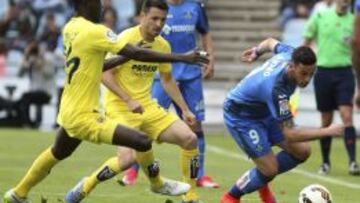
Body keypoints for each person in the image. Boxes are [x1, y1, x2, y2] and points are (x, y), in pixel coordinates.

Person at [2, 0, 209, 202]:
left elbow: (97, 66)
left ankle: (18, 193)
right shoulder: (97, 31)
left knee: (57, 152)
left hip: (70, 109)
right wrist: (183, 57)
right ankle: (157, 183)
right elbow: (135, 52)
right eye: (97, 2)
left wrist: (125, 58)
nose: (101, 6)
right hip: (86, 115)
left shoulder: (70, 27)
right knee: (141, 142)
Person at [65, 1, 202, 202]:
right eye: (154, 18)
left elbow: (167, 79)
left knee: (190, 139)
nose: (158, 24)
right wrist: (128, 100)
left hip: (146, 107)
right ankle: (86, 185)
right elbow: (104, 74)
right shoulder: (126, 38)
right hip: (120, 107)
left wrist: (185, 109)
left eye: (163, 20)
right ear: (142, 16)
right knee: (127, 159)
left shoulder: (163, 45)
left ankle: (190, 196)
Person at [220, 38, 344, 203]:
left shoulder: (289, 53)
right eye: (303, 74)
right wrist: (327, 131)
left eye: (311, 74)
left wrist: (257, 51)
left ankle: (261, 176)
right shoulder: (277, 89)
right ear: (291, 66)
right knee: (270, 169)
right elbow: (290, 134)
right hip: (242, 117)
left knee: (302, 151)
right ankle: (231, 197)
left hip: (264, 110)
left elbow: (271, 42)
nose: (307, 79)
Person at [122, 0, 220, 190]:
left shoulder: (195, 6)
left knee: (195, 124)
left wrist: (211, 59)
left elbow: (205, 32)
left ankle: (199, 175)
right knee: (146, 123)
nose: (159, 22)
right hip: (163, 74)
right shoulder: (159, 7)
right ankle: (132, 170)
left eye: (161, 20)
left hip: (191, 72)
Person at [303, 0, 360, 175]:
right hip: (323, 73)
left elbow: (357, 52)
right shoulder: (321, 16)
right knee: (326, 120)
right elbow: (307, 40)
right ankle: (325, 162)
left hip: (344, 73)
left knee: (346, 115)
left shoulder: (354, 21)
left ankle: (353, 162)